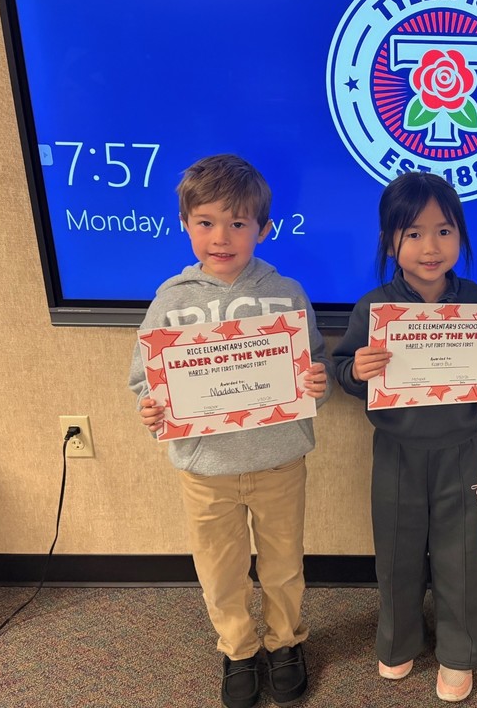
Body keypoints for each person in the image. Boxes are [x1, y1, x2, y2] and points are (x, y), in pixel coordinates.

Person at [128, 154, 330, 708]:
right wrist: (153, 406)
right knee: (220, 571)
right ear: (185, 223)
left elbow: (315, 368)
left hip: (279, 460)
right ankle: (239, 649)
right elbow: (144, 378)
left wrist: (316, 381)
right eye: (207, 222)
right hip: (205, 468)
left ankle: (285, 641)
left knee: (284, 565)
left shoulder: (286, 291)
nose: (222, 236)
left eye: (238, 223)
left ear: (263, 229)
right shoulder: (172, 297)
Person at [333, 172, 477, 703]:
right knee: (396, 552)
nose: (430, 246)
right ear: (388, 241)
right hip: (395, 453)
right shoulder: (374, 307)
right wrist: (357, 371)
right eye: (412, 233)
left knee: (459, 554)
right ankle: (398, 642)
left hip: (460, 452)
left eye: (443, 231)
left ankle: (459, 653)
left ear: (460, 235)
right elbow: (342, 369)